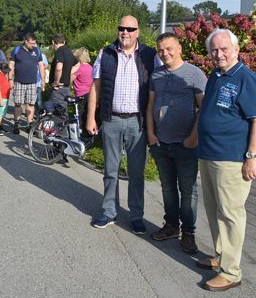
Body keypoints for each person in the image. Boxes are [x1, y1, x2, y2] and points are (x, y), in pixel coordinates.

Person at [196, 28, 256, 292]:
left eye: (224, 49)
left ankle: (231, 272)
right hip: (209, 154)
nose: (219, 54)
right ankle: (220, 256)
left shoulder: (245, 78)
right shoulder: (215, 75)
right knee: (215, 211)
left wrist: (251, 157)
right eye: (214, 50)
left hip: (231, 158)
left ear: (236, 50)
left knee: (230, 214)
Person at [86, 15, 156, 234]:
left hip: (138, 121)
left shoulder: (149, 55)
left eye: (130, 29)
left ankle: (136, 216)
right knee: (110, 170)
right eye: (121, 28)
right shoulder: (105, 53)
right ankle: (109, 211)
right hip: (112, 119)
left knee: (136, 173)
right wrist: (90, 117)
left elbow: (158, 88)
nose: (125, 32)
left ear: (138, 32)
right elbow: (95, 87)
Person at [146, 32, 207, 254]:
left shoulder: (194, 74)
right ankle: (171, 226)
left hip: (186, 144)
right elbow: (150, 105)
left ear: (180, 48)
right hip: (161, 142)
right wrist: (151, 133)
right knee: (168, 188)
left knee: (188, 190)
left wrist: (193, 137)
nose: (165, 53)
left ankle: (188, 233)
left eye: (169, 48)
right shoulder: (156, 75)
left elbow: (204, 108)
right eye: (161, 50)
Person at [9, 33, 45, 134]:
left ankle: (29, 125)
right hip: (19, 82)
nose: (33, 45)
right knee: (18, 104)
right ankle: (16, 124)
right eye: (31, 43)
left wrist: (42, 81)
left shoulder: (37, 51)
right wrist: (10, 79)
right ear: (25, 41)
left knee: (31, 104)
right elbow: (11, 65)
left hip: (32, 83)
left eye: (34, 43)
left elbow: (41, 66)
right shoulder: (16, 50)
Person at [47, 34, 76, 113]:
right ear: (64, 41)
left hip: (58, 89)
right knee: (64, 113)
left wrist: (56, 82)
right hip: (66, 88)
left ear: (53, 42)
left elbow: (59, 68)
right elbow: (77, 65)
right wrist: (67, 73)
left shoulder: (59, 51)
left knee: (53, 113)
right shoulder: (69, 52)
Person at [70, 47, 93, 136]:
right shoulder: (90, 67)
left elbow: (69, 79)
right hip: (89, 94)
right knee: (87, 114)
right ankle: (88, 134)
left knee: (79, 114)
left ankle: (79, 133)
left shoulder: (79, 68)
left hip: (81, 94)